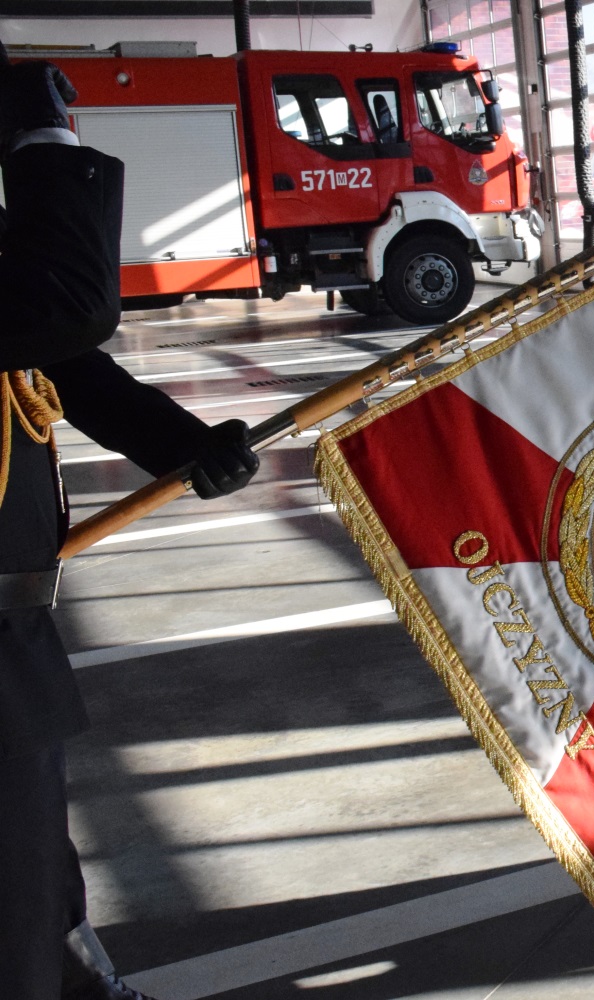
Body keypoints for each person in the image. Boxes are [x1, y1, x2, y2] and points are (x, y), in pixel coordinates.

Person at [0, 47, 260, 999]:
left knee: (33, 853)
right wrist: (43, 136)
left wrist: (185, 447)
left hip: (13, 629)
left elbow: (65, 363)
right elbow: (68, 307)